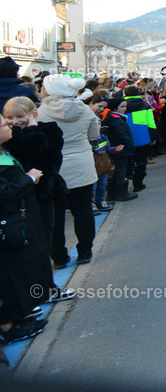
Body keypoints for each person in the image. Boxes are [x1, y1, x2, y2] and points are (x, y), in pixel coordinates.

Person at [0, 116, 55, 345]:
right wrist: (28, 179)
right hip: (9, 221)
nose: (9, 126)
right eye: (4, 124)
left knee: (16, 269)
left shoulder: (5, 150)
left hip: (18, 218)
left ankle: (18, 315)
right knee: (8, 273)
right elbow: (4, 192)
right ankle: (8, 325)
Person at [36, 75, 99, 266]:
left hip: (54, 168)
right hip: (81, 164)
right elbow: (94, 135)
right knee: (83, 209)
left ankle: (59, 256)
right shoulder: (85, 110)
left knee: (55, 214)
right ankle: (85, 252)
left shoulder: (39, 114)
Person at [2, 97, 67, 260]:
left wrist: (30, 130)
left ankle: (58, 260)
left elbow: (43, 155)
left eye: (20, 116)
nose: (14, 121)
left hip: (48, 190)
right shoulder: (8, 137)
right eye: (10, 117)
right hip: (23, 194)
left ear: (33, 114)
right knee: (34, 238)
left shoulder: (51, 129)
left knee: (51, 231)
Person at [100, 95, 137, 202]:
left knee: (118, 171)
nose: (124, 109)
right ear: (115, 108)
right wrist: (130, 145)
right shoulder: (115, 120)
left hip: (119, 148)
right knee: (121, 171)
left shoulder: (114, 118)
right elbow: (122, 136)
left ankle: (112, 195)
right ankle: (121, 194)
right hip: (121, 149)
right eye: (122, 106)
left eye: (125, 106)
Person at [123, 86, 156, 192]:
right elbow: (151, 123)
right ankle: (138, 184)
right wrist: (153, 137)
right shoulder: (145, 106)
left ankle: (124, 186)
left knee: (126, 162)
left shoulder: (120, 106)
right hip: (142, 136)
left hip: (125, 137)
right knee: (141, 162)